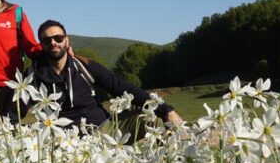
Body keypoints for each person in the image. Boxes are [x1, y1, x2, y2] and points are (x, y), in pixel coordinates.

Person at [28, 19, 184, 132]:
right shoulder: (33, 76)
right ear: (41, 45)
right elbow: (15, 108)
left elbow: (121, 88)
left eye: (58, 38)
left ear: (67, 41)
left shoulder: (84, 66)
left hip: (103, 129)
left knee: (153, 119)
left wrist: (166, 110)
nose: (53, 43)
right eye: (47, 40)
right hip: (64, 139)